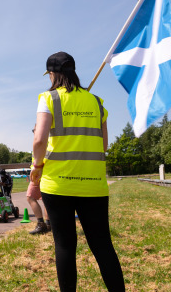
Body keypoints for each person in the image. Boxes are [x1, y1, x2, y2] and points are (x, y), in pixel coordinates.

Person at [31, 52, 125, 292]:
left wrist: (36, 167)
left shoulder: (48, 98)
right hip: (93, 184)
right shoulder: (96, 102)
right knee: (103, 246)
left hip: (58, 184)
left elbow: (39, 140)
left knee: (64, 246)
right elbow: (103, 145)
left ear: (52, 74)